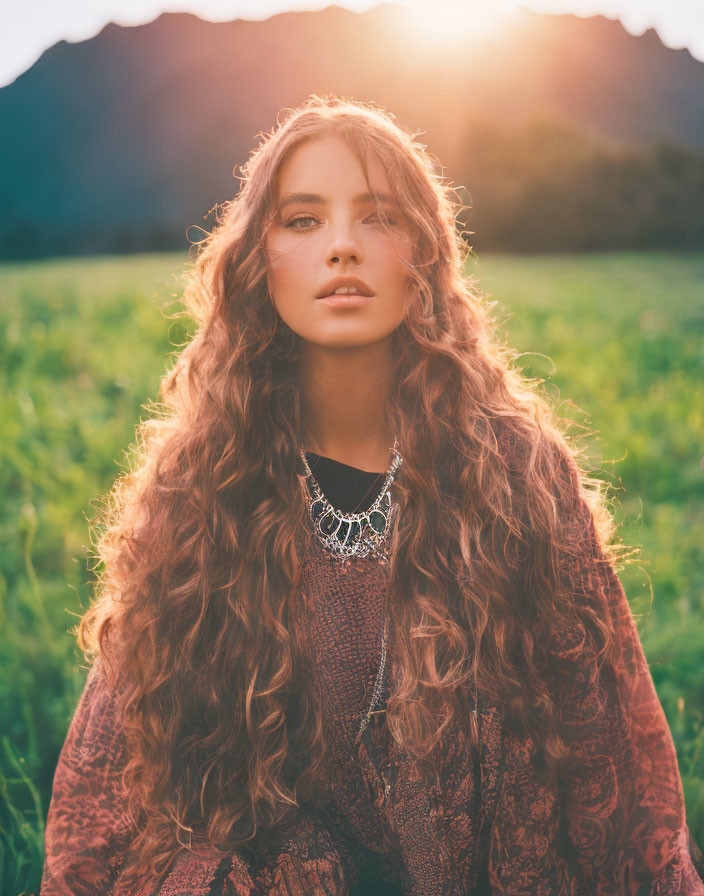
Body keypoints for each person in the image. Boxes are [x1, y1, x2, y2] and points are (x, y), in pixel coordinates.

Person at [41, 94, 704, 895]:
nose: (344, 247)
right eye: (303, 220)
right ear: (257, 258)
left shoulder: (519, 474)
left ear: (423, 254)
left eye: (379, 216)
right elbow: (110, 784)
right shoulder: (200, 487)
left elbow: (612, 756)